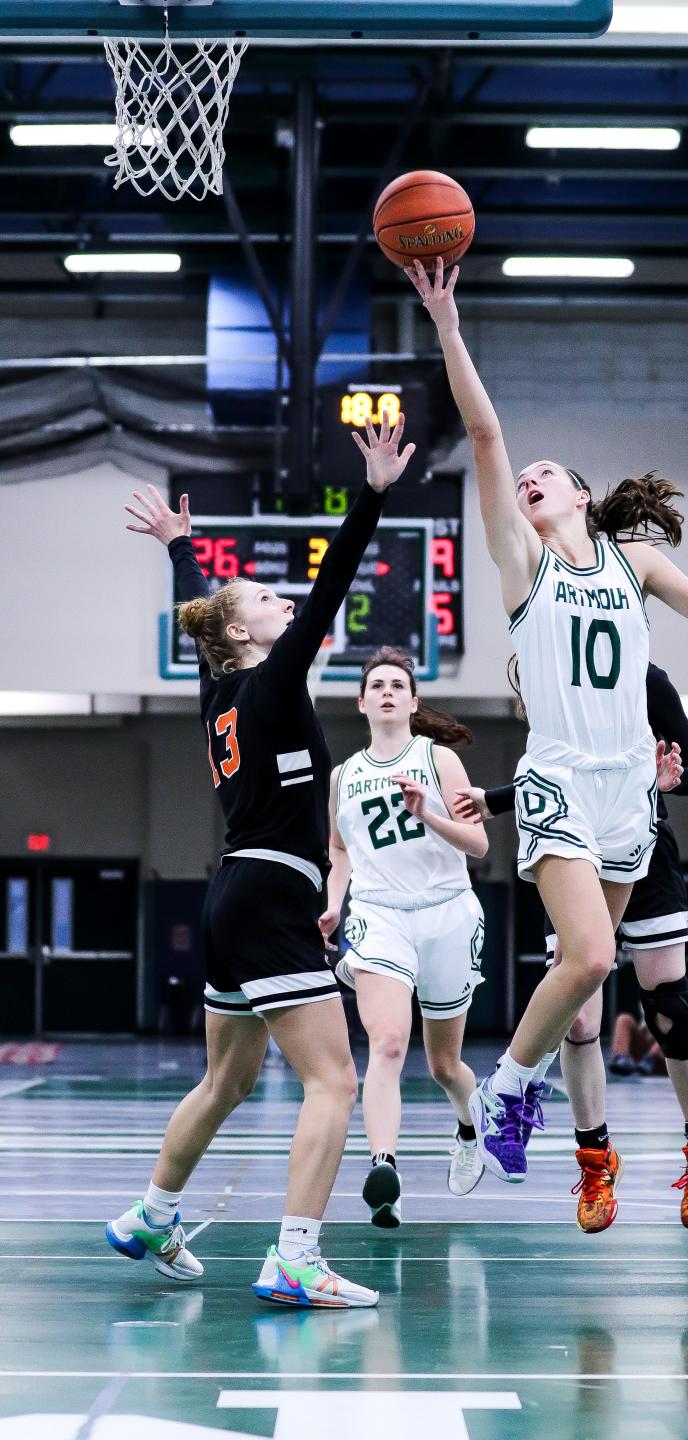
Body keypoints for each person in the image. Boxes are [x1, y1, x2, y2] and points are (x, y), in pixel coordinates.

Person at [406, 256, 688, 1194]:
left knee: (595, 978)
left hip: (630, 786)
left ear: (584, 496)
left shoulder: (633, 564)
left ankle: (527, 1098)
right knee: (588, 956)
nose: (529, 479)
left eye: (549, 473)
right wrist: (448, 325)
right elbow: (483, 429)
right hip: (558, 779)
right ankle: (509, 1091)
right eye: (524, 478)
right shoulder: (523, 566)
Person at [106, 413, 414, 1308]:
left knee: (229, 1077)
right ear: (244, 634)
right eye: (266, 603)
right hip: (270, 891)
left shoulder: (218, 690)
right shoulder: (272, 680)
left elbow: (202, 617)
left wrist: (181, 548)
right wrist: (372, 496)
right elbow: (330, 590)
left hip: (228, 896)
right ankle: (295, 1257)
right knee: (336, 1079)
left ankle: (151, 1216)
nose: (287, 604)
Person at [456, 660, 688, 1232]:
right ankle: (595, 1160)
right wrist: (494, 800)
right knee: (578, 1019)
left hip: (642, 844)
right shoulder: (553, 671)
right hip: (570, 846)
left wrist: (668, 779)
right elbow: (560, 773)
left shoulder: (643, 677)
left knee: (669, 1006)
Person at [322, 647, 489, 1226]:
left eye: (399, 684)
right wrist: (331, 904)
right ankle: (383, 1168)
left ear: (414, 702)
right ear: (362, 701)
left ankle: (470, 1128)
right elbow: (339, 851)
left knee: (445, 1065)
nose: (389, 691)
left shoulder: (438, 760)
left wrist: (429, 815)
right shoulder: (344, 775)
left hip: (446, 912)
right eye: (378, 684)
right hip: (378, 917)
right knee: (388, 1043)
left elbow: (479, 846)